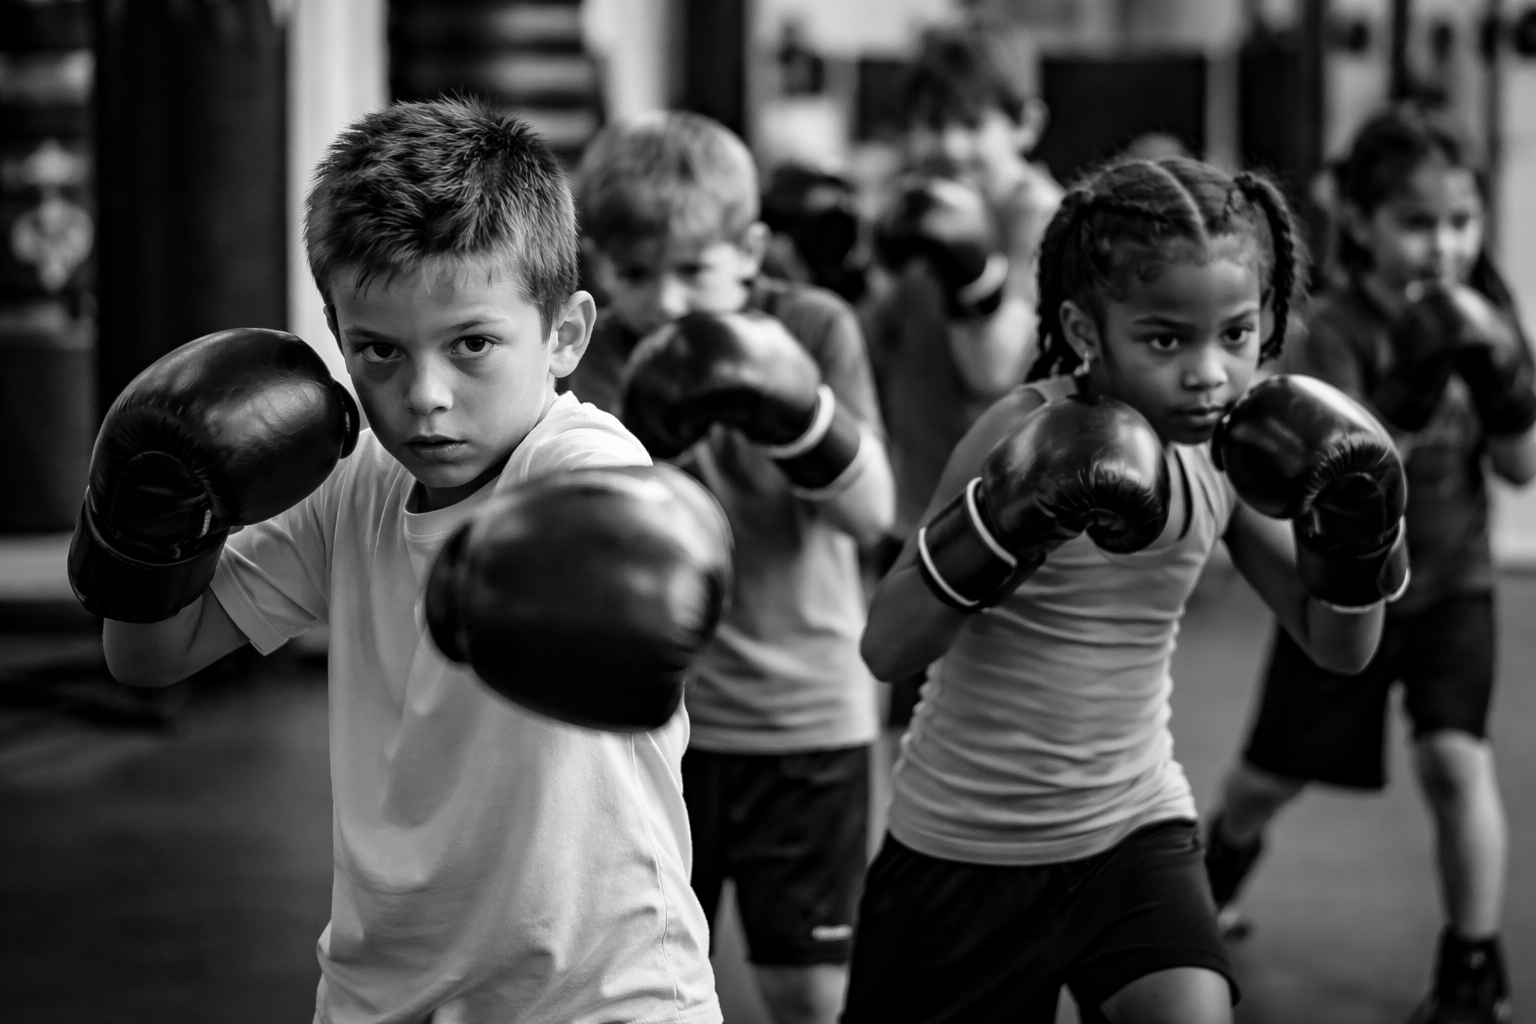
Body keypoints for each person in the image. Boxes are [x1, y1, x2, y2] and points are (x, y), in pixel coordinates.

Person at [74, 99, 725, 1024]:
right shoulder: (355, 485)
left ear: (566, 335)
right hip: (378, 996)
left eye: (473, 345)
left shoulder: (575, 457)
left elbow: (648, 531)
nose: (424, 398)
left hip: (600, 999)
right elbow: (147, 656)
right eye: (378, 351)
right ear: (337, 340)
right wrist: (152, 520)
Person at [844, 156, 1410, 1024]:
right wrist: (1007, 523)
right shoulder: (1021, 427)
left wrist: (1359, 533)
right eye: (1164, 339)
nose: (1209, 373)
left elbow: (1338, 647)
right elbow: (887, 646)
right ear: (1083, 328)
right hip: (965, 843)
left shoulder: (1232, 450)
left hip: (1134, 825)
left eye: (1237, 334)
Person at [1204, 106, 1536, 1024]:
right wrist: (1413, 385)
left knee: (1454, 763)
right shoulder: (1335, 332)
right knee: (1271, 776)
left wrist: (1500, 374)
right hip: (1346, 589)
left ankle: (1473, 964)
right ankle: (1225, 851)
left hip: (1454, 582)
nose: (1444, 245)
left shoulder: (1489, 314)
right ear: (1362, 222)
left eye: (1461, 222)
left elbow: (1518, 467)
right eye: (1418, 222)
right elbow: (1345, 473)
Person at [566, 111, 895, 1024]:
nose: (665, 303)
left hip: (805, 719)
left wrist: (794, 415)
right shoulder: (592, 355)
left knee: (807, 989)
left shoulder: (814, 326)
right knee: (643, 985)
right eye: (636, 276)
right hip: (652, 733)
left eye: (694, 273)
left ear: (750, 251)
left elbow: (870, 514)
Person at [860, 26, 1063, 729]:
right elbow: (873, 339)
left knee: (987, 730)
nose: (948, 144)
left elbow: (995, 365)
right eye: (931, 123)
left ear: (1025, 125)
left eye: (971, 123)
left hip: (998, 519)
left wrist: (971, 268)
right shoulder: (910, 204)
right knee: (907, 724)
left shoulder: (1040, 217)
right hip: (912, 504)